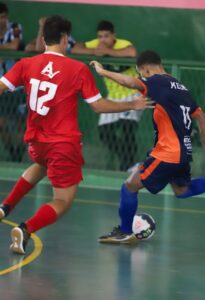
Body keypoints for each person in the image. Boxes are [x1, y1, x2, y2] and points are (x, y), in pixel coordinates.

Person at [0, 15, 151, 254]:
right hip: (63, 144)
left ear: (43, 38)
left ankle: (4, 207)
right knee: (63, 200)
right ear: (64, 38)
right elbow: (99, 106)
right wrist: (131, 104)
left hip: (37, 142)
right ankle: (26, 228)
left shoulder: (25, 64)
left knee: (40, 164)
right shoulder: (77, 68)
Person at [90, 50, 205, 244]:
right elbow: (201, 117)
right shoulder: (182, 88)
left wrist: (103, 72)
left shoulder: (156, 81)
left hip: (167, 153)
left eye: (141, 73)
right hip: (184, 152)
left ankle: (124, 232)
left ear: (146, 68)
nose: (141, 78)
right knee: (182, 191)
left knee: (130, 186)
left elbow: (131, 82)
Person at [72, 20, 141, 171]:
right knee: (104, 133)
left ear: (113, 35)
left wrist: (108, 52)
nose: (103, 40)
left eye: (106, 36)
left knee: (127, 128)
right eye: (100, 36)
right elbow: (76, 49)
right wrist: (95, 52)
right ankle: (128, 163)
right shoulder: (97, 44)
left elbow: (132, 52)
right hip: (112, 96)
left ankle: (128, 164)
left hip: (132, 94)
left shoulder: (122, 44)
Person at [0, 2, 26, 161]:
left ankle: (20, 153)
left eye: (3, 17)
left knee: (22, 124)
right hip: (1, 88)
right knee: (1, 125)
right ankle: (12, 152)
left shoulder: (15, 27)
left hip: (17, 87)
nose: (1, 21)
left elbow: (15, 45)